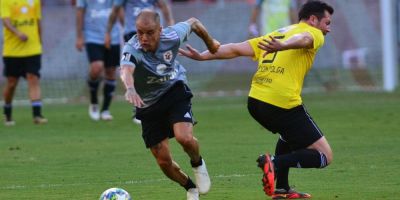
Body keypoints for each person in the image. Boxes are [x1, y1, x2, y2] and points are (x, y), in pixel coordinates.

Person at [179, 1, 334, 199]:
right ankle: (274, 163)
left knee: (287, 134)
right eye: (327, 23)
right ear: (313, 19)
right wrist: (285, 46)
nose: (328, 28)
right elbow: (303, 38)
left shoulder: (277, 34)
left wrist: (203, 56)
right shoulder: (313, 33)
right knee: (324, 156)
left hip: (255, 101)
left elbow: (235, 48)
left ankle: (282, 188)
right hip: (281, 102)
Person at [119, 9, 219, 200]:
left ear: (160, 30)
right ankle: (190, 188)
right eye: (139, 32)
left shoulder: (172, 36)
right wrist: (130, 88)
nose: (143, 38)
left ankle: (197, 163)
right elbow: (126, 70)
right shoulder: (132, 48)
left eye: (149, 32)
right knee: (164, 162)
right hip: (147, 104)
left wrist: (211, 43)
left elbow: (194, 21)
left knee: (185, 139)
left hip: (174, 90)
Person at [105, 0, 175, 124]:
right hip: (133, 32)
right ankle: (139, 108)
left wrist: (170, 24)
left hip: (151, 32)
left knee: (152, 69)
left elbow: (164, 6)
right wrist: (108, 32)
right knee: (137, 69)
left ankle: (156, 103)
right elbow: (115, 10)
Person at [1, 0, 47, 126]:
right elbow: (5, 21)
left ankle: (37, 114)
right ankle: (7, 112)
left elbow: (38, 21)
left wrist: (40, 42)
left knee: (33, 78)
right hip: (12, 51)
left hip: (33, 48)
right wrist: (18, 33)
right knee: (11, 83)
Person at [76, 0, 122, 121]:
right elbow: (80, 12)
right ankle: (94, 101)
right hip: (92, 36)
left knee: (111, 72)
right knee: (96, 68)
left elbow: (119, 9)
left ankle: (106, 109)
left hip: (114, 36)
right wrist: (79, 36)